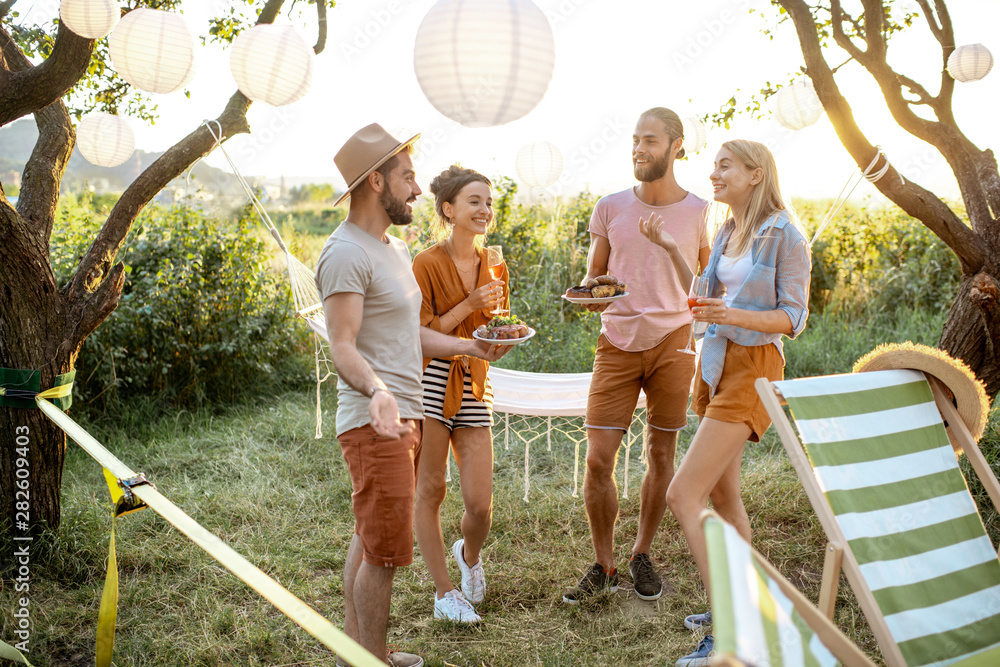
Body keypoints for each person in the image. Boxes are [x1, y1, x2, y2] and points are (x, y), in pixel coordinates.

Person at [315, 124, 505, 667]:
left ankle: (359, 649)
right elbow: (343, 345)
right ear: (376, 181)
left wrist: (470, 345)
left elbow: (410, 335)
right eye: (408, 176)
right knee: (387, 552)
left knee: (370, 537)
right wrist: (377, 392)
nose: (418, 189)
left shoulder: (391, 248)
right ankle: (371, 657)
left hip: (408, 412)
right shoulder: (346, 252)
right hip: (375, 419)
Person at [651, 140, 810, 667]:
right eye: (714, 165)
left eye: (724, 165)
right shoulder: (728, 230)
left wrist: (735, 316)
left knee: (682, 494)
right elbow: (702, 296)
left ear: (755, 172)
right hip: (716, 367)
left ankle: (730, 630)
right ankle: (743, 605)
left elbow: (793, 317)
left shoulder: (785, 233)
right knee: (723, 499)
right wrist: (675, 252)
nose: (712, 173)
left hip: (754, 370)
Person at [563, 107, 711, 604]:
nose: (638, 149)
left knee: (660, 453)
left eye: (650, 140)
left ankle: (640, 553)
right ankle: (603, 563)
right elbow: (594, 275)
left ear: (677, 147)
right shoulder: (609, 207)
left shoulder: (700, 211)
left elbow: (707, 284)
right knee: (598, 461)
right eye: (634, 140)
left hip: (675, 343)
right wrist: (590, 293)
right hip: (617, 342)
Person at [411, 165, 507, 624]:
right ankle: (444, 593)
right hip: (431, 379)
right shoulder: (426, 263)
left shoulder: (495, 262)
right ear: (449, 209)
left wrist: (502, 341)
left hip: (475, 379)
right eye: (475, 201)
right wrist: (468, 306)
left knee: (480, 505)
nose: (485, 209)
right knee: (430, 489)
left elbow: (498, 328)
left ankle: (469, 554)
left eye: (488, 201)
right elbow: (422, 333)